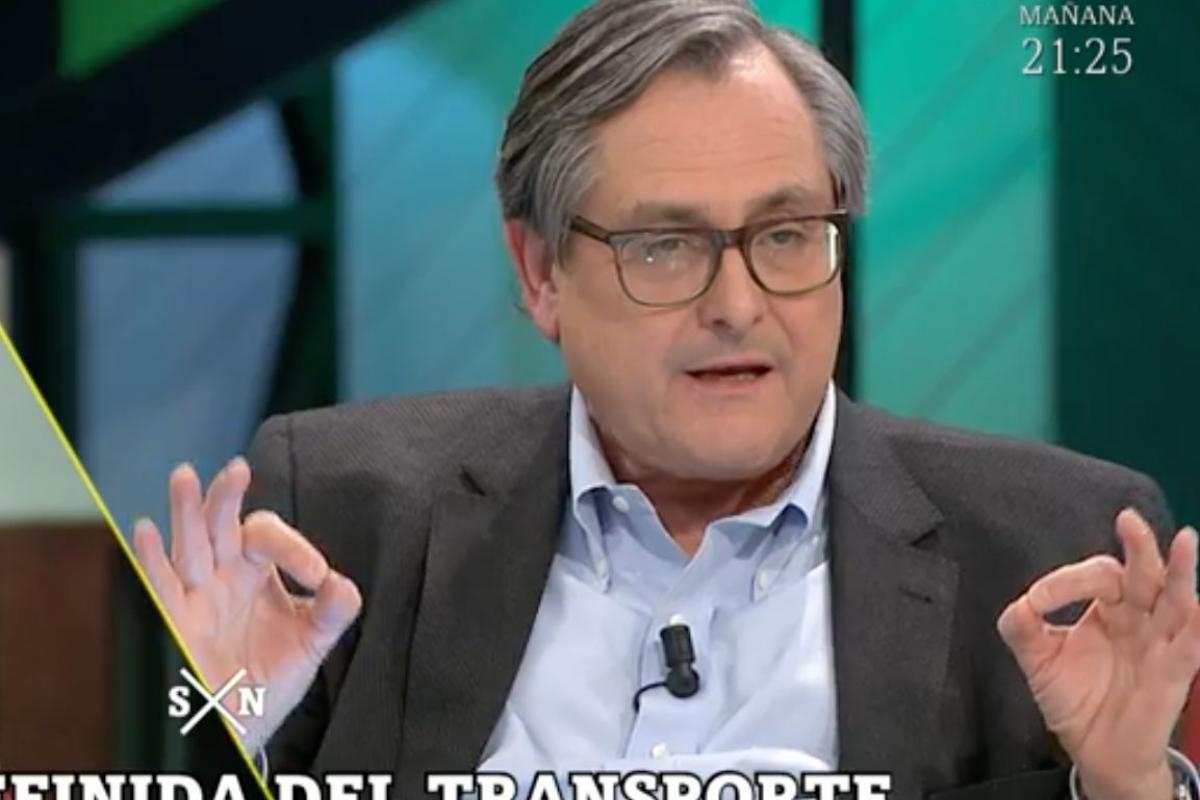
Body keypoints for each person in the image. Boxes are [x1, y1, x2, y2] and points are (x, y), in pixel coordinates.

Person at [132, 0, 1200, 797]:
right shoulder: (344, 514)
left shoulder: (1054, 551)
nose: (737, 304)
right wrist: (229, 713)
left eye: (787, 235)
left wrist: (1125, 789)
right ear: (540, 272)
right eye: (664, 245)